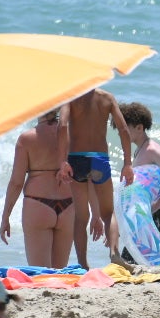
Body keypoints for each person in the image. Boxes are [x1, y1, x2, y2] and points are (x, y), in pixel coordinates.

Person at [58, 87, 135, 269]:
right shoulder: (107, 98)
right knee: (108, 213)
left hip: (77, 159)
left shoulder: (70, 96)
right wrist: (127, 163)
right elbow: (123, 129)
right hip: (100, 158)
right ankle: (114, 253)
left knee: (81, 216)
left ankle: (83, 264)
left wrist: (62, 161)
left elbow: (61, 126)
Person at [0, 111, 75, 268]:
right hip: (69, 205)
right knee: (59, 274)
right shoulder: (72, 135)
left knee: (41, 275)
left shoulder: (27, 138)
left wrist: (6, 216)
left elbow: (16, 182)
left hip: (39, 204)